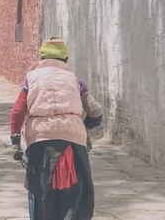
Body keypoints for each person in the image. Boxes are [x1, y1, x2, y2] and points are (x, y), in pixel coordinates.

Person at [9, 38, 103, 220]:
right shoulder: (75, 80)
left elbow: (17, 112)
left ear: (41, 57)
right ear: (65, 59)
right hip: (73, 144)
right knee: (75, 196)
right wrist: (82, 127)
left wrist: (15, 142)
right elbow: (97, 112)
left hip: (40, 143)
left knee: (41, 193)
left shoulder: (31, 79)